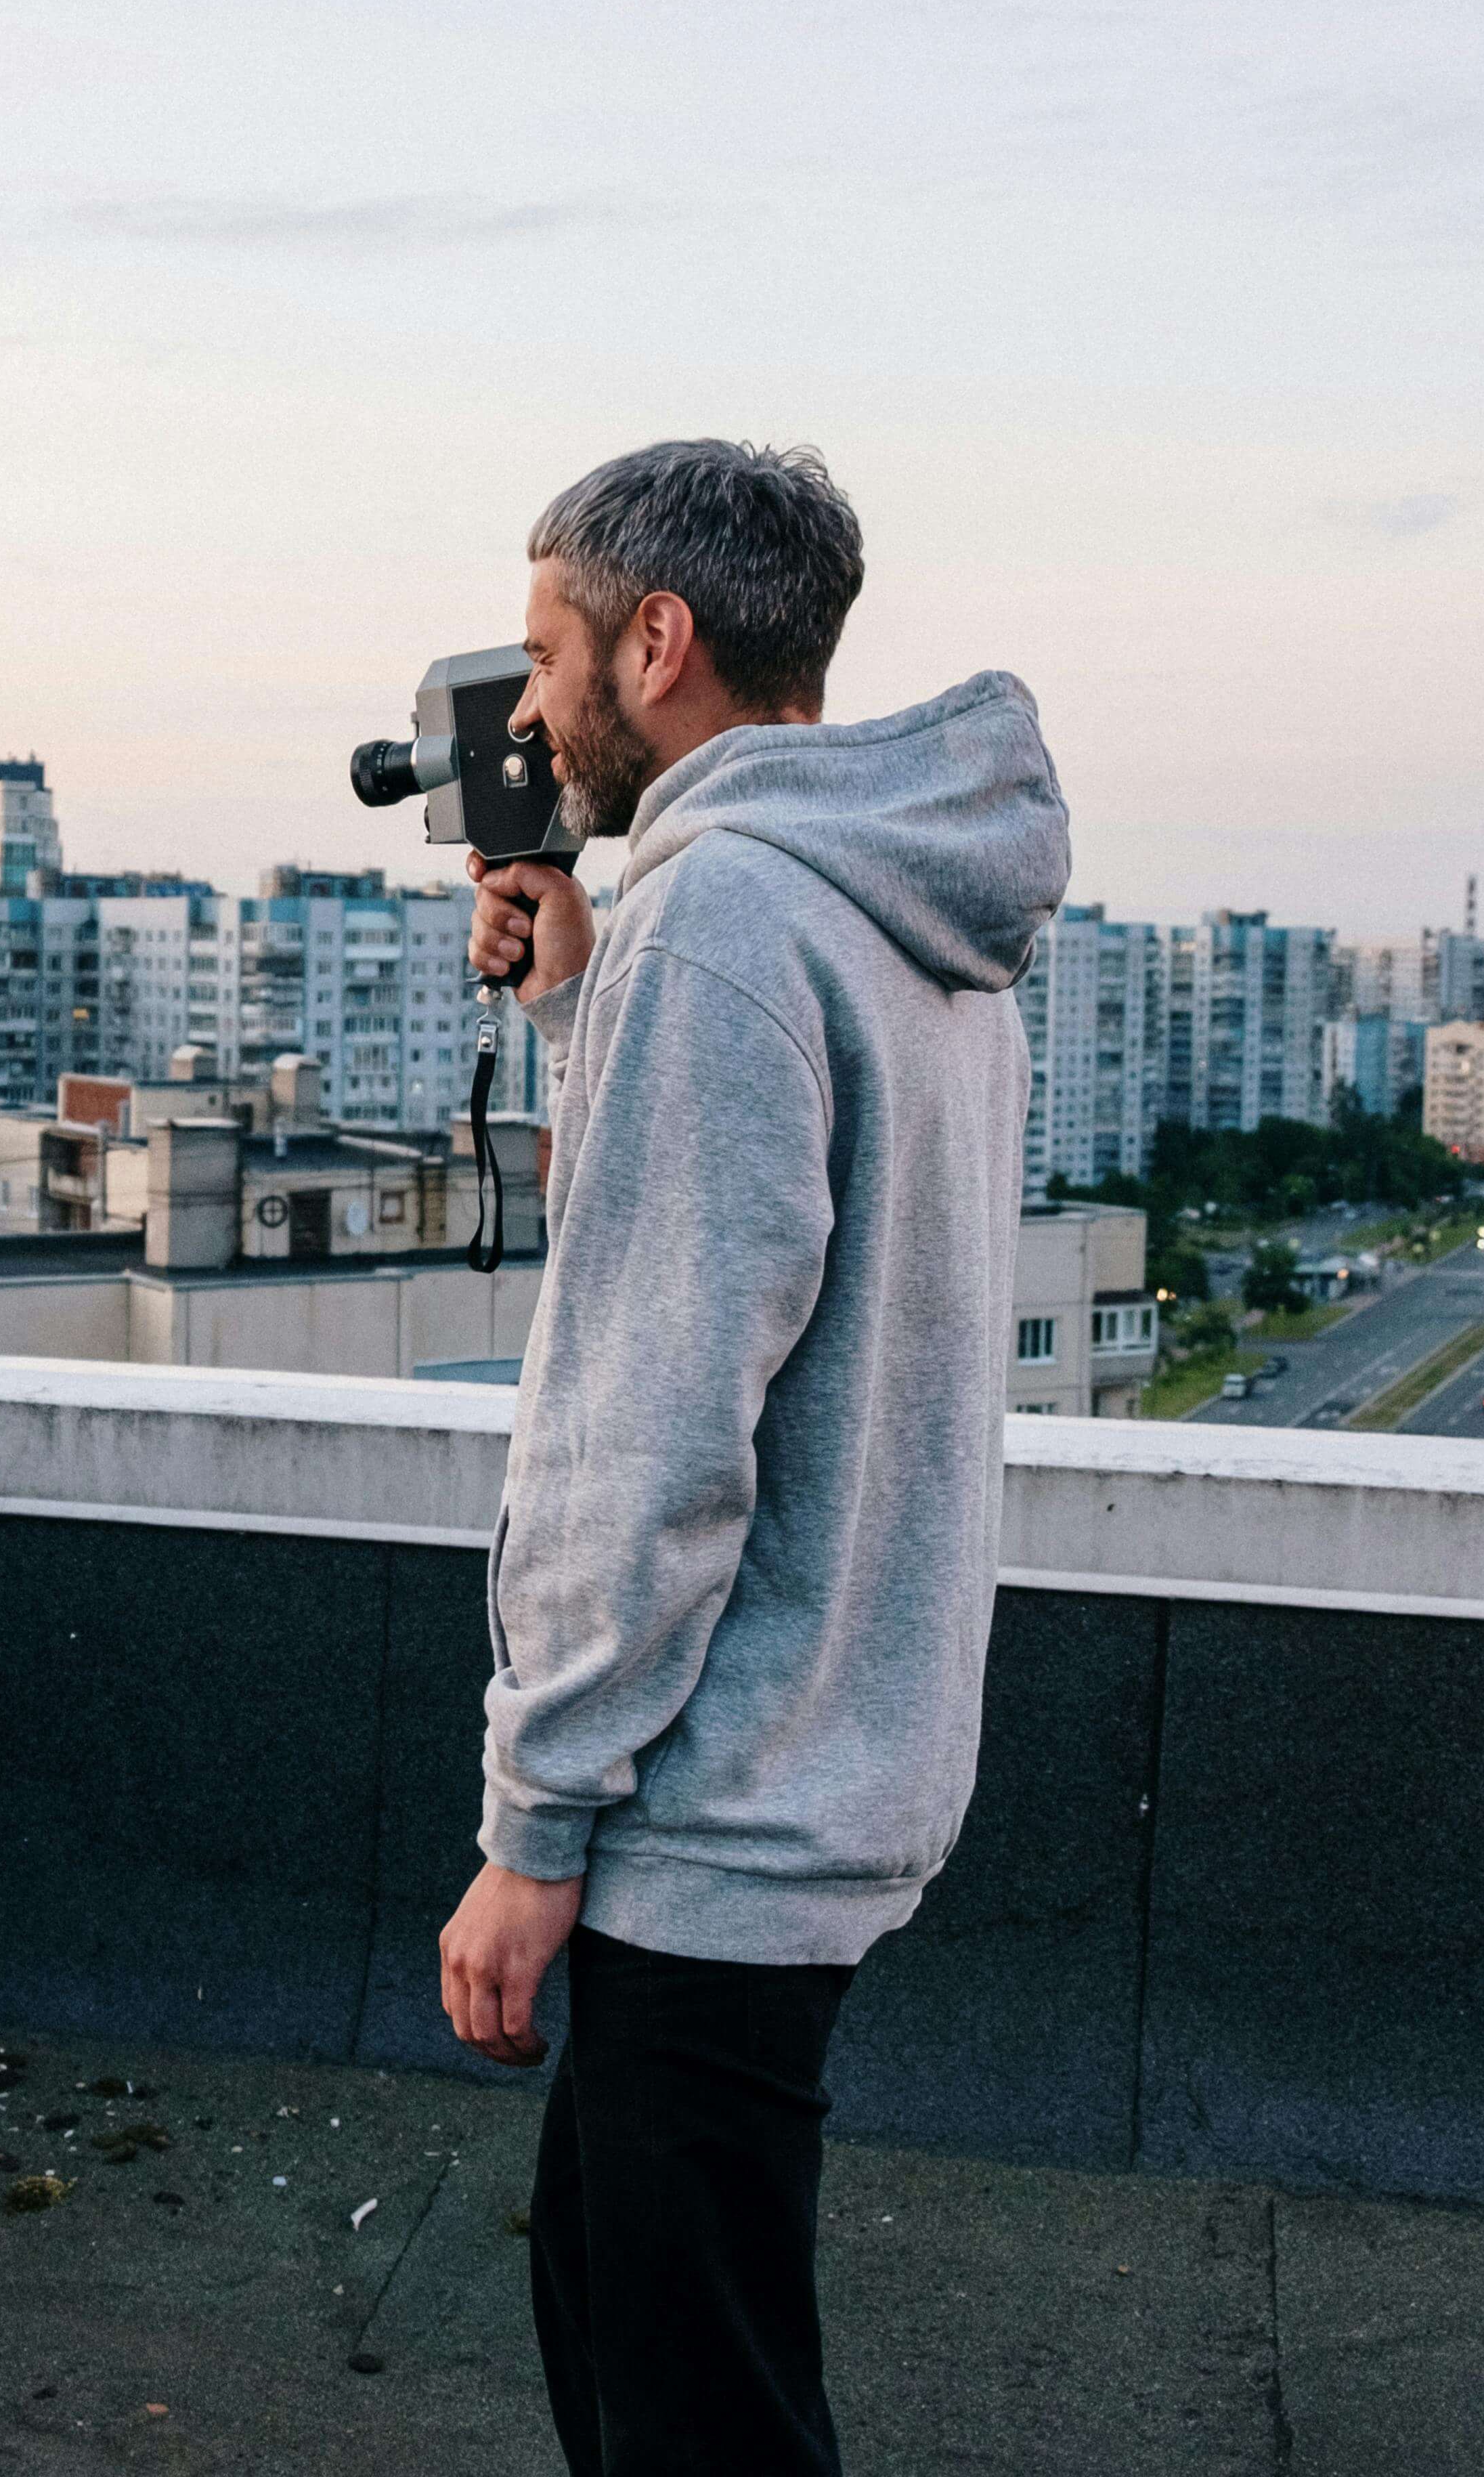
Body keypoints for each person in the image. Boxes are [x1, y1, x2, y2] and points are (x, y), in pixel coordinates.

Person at [438, 443, 1068, 2474]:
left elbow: (652, 1421)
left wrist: (534, 1826)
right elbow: (789, 1276)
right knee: (653, 2346)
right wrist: (576, 1006)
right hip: (840, 1753)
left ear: (660, 638)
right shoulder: (897, 903)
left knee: (691, 2417)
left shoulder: (719, 917)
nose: (524, 713)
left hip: (714, 1812)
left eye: (544, 653)